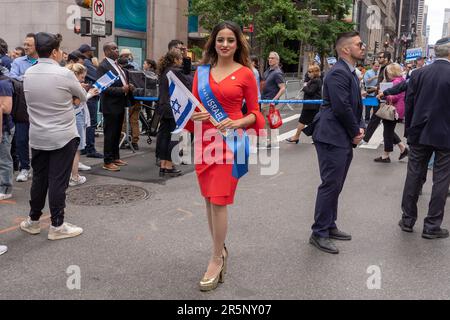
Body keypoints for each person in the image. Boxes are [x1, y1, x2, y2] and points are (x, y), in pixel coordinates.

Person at [187, 21, 265, 291]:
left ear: (238, 43)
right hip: (204, 140)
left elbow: (256, 113)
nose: (224, 44)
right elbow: (193, 108)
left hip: (231, 143)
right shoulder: (202, 72)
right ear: (213, 42)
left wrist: (238, 123)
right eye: (220, 39)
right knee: (209, 200)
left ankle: (216, 257)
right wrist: (193, 115)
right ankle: (220, 248)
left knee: (219, 200)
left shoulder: (246, 73)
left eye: (230, 40)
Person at [20, 32, 85, 240]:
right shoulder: (64, 74)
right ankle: (57, 225)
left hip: (38, 135)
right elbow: (82, 96)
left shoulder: (28, 73)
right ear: (55, 52)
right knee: (58, 181)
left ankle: (33, 220)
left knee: (39, 180)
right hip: (62, 136)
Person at [306, 31, 366, 254]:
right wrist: (355, 131)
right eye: (359, 44)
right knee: (330, 184)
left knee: (336, 185)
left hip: (340, 136)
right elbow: (342, 107)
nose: (363, 47)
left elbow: (354, 105)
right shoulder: (338, 73)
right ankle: (319, 232)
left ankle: (329, 225)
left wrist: (359, 127)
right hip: (332, 136)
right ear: (345, 49)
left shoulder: (349, 72)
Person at [398, 37, 450, 239]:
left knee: (413, 175)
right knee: (442, 179)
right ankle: (432, 225)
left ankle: (408, 220)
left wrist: (409, 130)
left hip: (419, 131)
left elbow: (409, 103)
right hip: (445, 134)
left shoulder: (419, 74)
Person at [97, 42, 134, 171]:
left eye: (117, 48)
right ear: (106, 52)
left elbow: (122, 81)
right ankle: (107, 161)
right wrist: (121, 89)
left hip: (120, 103)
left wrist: (129, 87)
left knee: (117, 133)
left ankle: (115, 157)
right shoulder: (103, 66)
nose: (117, 50)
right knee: (110, 134)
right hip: (110, 105)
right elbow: (103, 88)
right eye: (113, 49)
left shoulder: (117, 65)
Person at [155, 50, 191, 177]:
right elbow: (187, 82)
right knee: (174, 137)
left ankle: (164, 165)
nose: (181, 61)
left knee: (164, 137)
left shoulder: (165, 71)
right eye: (180, 58)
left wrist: (186, 58)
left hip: (164, 107)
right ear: (175, 60)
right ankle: (169, 165)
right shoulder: (175, 72)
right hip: (172, 108)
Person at [10, 33, 38, 183]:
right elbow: (13, 77)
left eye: (29, 45)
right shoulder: (18, 61)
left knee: (39, 140)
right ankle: (24, 168)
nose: (25, 47)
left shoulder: (43, 61)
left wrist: (25, 78)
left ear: (37, 46)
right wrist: (32, 78)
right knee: (21, 139)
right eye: (25, 44)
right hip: (22, 106)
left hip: (40, 107)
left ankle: (38, 168)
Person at [66, 63, 99, 186]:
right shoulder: (74, 86)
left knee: (70, 149)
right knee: (76, 149)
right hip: (77, 116)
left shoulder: (66, 83)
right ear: (76, 75)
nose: (83, 80)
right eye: (82, 77)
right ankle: (74, 177)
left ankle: (69, 175)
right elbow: (77, 101)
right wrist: (90, 93)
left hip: (69, 117)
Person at [373, 63, 408, 163]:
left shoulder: (396, 81)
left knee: (388, 132)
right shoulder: (401, 80)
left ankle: (386, 155)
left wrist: (383, 95)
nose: (386, 74)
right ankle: (402, 148)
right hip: (397, 109)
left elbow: (395, 96)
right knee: (389, 130)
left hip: (393, 110)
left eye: (387, 71)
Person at [286, 64, 322, 144]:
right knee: (313, 122)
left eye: (310, 72)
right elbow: (307, 80)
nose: (308, 73)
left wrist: (305, 87)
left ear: (314, 73)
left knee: (302, 121)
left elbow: (310, 91)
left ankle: (296, 137)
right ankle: (316, 138)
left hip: (311, 105)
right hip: (310, 105)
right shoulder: (313, 80)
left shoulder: (316, 81)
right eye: (308, 72)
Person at [78, 44, 103, 159]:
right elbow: (98, 76)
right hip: (90, 96)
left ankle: (83, 147)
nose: (92, 52)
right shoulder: (86, 62)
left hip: (84, 96)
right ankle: (90, 148)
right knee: (91, 123)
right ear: (85, 52)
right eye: (90, 51)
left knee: (85, 123)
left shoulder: (84, 62)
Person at [363, 51, 392, 144]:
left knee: (376, 119)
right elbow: (381, 84)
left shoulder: (387, 69)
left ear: (386, 59)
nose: (378, 59)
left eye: (380, 57)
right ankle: (401, 146)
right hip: (379, 97)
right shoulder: (382, 68)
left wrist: (381, 94)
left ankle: (365, 139)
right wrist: (370, 90)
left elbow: (388, 84)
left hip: (383, 98)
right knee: (381, 121)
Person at [260, 51, 286, 148]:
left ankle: (271, 141)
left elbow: (283, 88)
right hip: (264, 100)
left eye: (272, 58)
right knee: (266, 122)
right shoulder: (268, 71)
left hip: (270, 101)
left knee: (269, 122)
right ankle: (270, 141)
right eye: (269, 58)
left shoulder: (277, 72)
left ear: (277, 60)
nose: (270, 60)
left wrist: (273, 100)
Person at [0, 69, 14, 201]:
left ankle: (6, 188)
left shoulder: (3, 83)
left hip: (4, 128)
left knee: (4, 160)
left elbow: (7, 108)